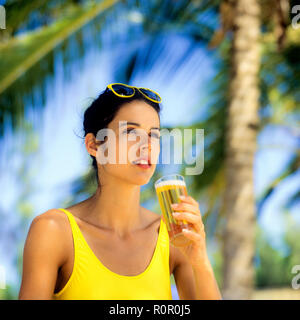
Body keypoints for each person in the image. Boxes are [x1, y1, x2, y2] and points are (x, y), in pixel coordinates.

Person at [18, 83, 222, 300]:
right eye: (130, 132)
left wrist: (200, 262)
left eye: (154, 135)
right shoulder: (54, 231)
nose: (146, 145)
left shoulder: (172, 236)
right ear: (94, 145)